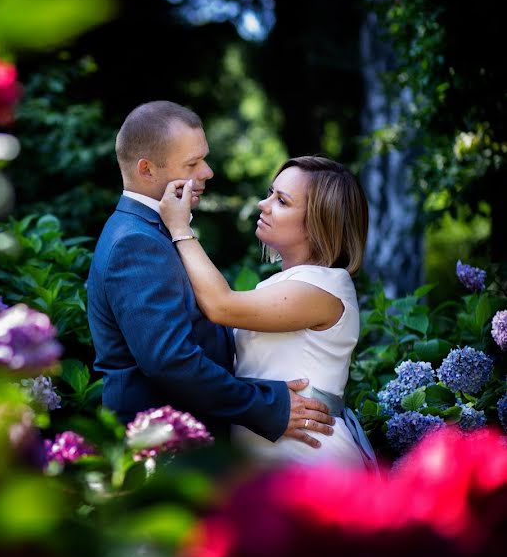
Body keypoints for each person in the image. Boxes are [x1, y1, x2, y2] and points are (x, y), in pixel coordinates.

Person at [87, 101, 335, 450]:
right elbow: (171, 361)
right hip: (163, 451)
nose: (207, 172)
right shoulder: (136, 242)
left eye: (203, 158)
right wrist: (267, 405)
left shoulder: (156, 232)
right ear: (146, 170)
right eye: (192, 164)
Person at [158, 156, 377, 469]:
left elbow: (220, 305)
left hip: (313, 464)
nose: (264, 204)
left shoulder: (327, 286)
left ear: (320, 223)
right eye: (270, 193)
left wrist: (180, 227)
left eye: (282, 201)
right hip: (270, 466)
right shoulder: (278, 283)